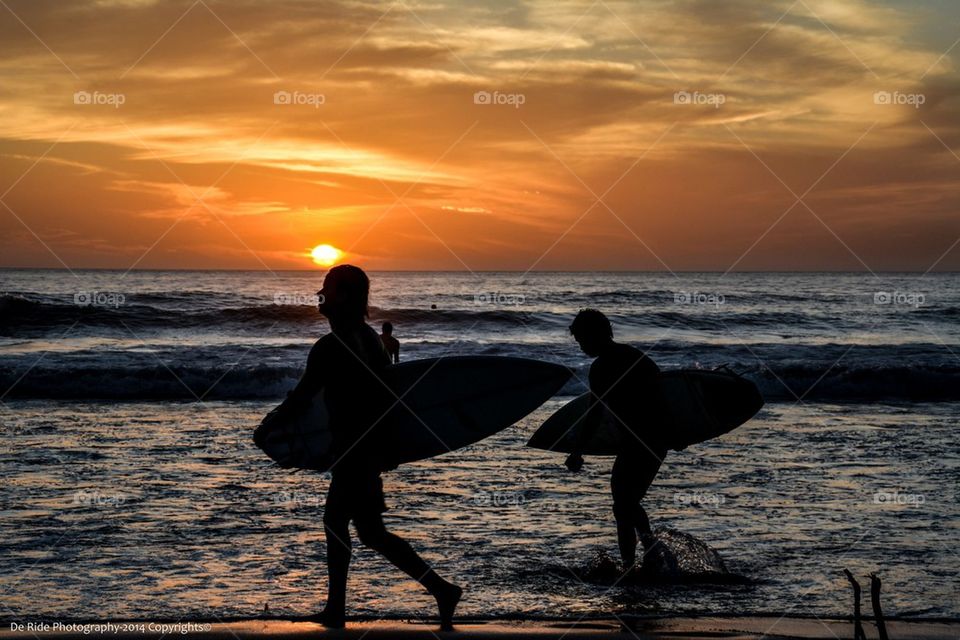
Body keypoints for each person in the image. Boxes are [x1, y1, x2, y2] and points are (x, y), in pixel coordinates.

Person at [284, 265, 462, 629]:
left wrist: (270, 428)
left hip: (354, 450)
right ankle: (441, 590)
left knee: (338, 522)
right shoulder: (370, 339)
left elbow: (302, 397)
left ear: (344, 296)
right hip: (368, 449)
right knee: (370, 532)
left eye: (327, 288)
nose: (319, 293)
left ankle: (338, 610)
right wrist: (390, 447)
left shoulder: (330, 347)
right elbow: (391, 398)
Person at [563, 309, 671, 573]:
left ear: (598, 334)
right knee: (625, 503)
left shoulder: (603, 367)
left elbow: (595, 412)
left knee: (624, 503)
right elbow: (665, 398)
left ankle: (637, 561)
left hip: (643, 443)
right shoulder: (635, 356)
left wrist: (577, 451)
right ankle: (644, 556)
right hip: (649, 442)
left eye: (583, 340)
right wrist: (675, 434)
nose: (581, 346)